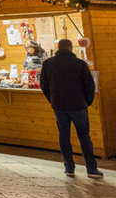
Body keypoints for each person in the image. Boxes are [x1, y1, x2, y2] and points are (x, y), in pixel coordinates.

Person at [39, 38, 102, 178]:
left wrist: (52, 100)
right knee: (84, 136)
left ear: (58, 48)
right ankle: (91, 169)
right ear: (71, 48)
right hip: (78, 105)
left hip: (59, 105)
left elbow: (43, 85)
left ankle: (69, 168)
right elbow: (89, 85)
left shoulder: (48, 64)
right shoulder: (80, 64)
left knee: (64, 136)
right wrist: (87, 102)